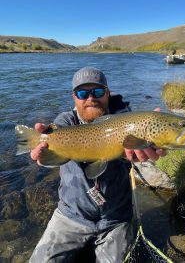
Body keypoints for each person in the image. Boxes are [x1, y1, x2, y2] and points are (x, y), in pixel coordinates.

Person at [29, 66, 167, 263]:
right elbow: (49, 153)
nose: (90, 98)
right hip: (70, 216)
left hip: (115, 219)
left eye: (98, 92)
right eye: (83, 93)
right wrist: (43, 157)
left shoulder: (128, 122)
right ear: (74, 97)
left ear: (108, 94)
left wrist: (143, 144)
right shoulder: (65, 121)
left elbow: (140, 145)